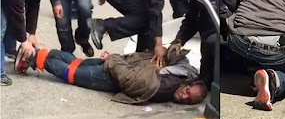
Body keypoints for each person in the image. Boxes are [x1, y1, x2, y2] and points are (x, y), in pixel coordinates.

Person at [15, 47, 207, 105]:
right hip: (113, 71)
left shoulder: (165, 86)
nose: (183, 96)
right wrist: (114, 60)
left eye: (187, 100)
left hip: (116, 68)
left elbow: (131, 80)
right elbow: (128, 78)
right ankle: (32, 57)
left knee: (75, 65)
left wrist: (114, 60)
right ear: (188, 84)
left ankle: (35, 54)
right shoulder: (183, 72)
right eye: (187, 92)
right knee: (71, 71)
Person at [0, 0, 61, 86]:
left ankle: (9, 50)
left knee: (9, 15)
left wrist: (31, 33)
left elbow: (33, 5)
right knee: (1, 25)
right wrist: (23, 40)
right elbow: (17, 11)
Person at [170, 0, 219, 88]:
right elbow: (191, 19)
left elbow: (209, 36)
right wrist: (178, 40)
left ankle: (211, 82)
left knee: (212, 42)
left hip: (219, 38)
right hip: (209, 38)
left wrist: (204, 80)